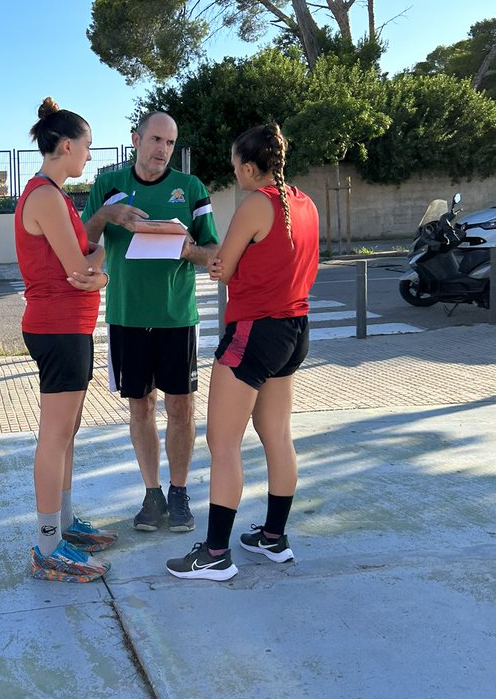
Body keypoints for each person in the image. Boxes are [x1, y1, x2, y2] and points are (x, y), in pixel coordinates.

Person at [166, 122, 319, 582]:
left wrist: (202, 255)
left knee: (223, 442)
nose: (236, 177)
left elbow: (223, 268)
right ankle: (274, 538)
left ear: (251, 168)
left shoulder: (256, 204)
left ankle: (215, 553)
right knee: (277, 434)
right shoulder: (304, 202)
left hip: (254, 330)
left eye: (236, 169)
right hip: (294, 330)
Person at [82, 112, 220, 534]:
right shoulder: (108, 185)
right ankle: (151, 494)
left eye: (170, 143)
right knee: (141, 406)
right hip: (126, 316)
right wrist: (110, 215)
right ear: (136, 139)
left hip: (177, 317)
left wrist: (187, 251)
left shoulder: (191, 188)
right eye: (156, 139)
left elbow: (212, 250)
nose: (162, 149)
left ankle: (179, 493)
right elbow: (84, 241)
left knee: (182, 407)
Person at [17, 97, 116, 583]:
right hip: (57, 327)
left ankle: (64, 524)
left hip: (68, 327)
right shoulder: (46, 196)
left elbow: (83, 260)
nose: (89, 158)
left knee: (66, 433)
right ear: (66, 145)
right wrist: (102, 273)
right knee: (54, 436)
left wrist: (96, 262)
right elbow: (81, 271)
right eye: (87, 148)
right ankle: (46, 544)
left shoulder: (52, 194)